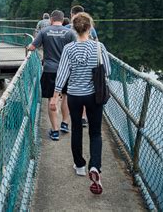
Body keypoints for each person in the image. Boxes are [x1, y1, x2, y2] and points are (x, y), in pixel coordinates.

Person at [53, 12, 111, 194]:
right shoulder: (99, 47)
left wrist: (55, 97)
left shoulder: (69, 49)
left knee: (76, 129)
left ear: (74, 28)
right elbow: (107, 71)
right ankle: (95, 166)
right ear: (89, 27)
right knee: (95, 133)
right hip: (94, 95)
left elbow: (62, 74)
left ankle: (79, 166)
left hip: (75, 96)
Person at [27, 10, 76, 141]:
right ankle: (65, 124)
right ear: (62, 19)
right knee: (65, 97)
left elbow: (32, 47)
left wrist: (28, 47)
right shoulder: (70, 32)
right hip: (67, 70)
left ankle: (55, 131)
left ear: (51, 19)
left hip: (49, 70)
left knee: (51, 99)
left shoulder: (44, 31)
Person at [65, 5, 98, 126]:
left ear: (72, 14)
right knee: (87, 88)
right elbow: (96, 44)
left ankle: (69, 118)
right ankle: (84, 116)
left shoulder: (67, 28)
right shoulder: (91, 29)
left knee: (70, 91)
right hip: (89, 65)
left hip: (71, 65)